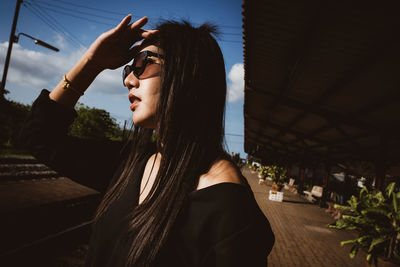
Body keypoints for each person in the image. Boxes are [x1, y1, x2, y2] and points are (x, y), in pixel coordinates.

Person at [19, 14, 274, 267]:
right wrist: (92, 63)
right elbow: (39, 136)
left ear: (186, 72)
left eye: (142, 63)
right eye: (128, 70)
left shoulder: (229, 210)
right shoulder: (132, 162)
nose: (129, 79)